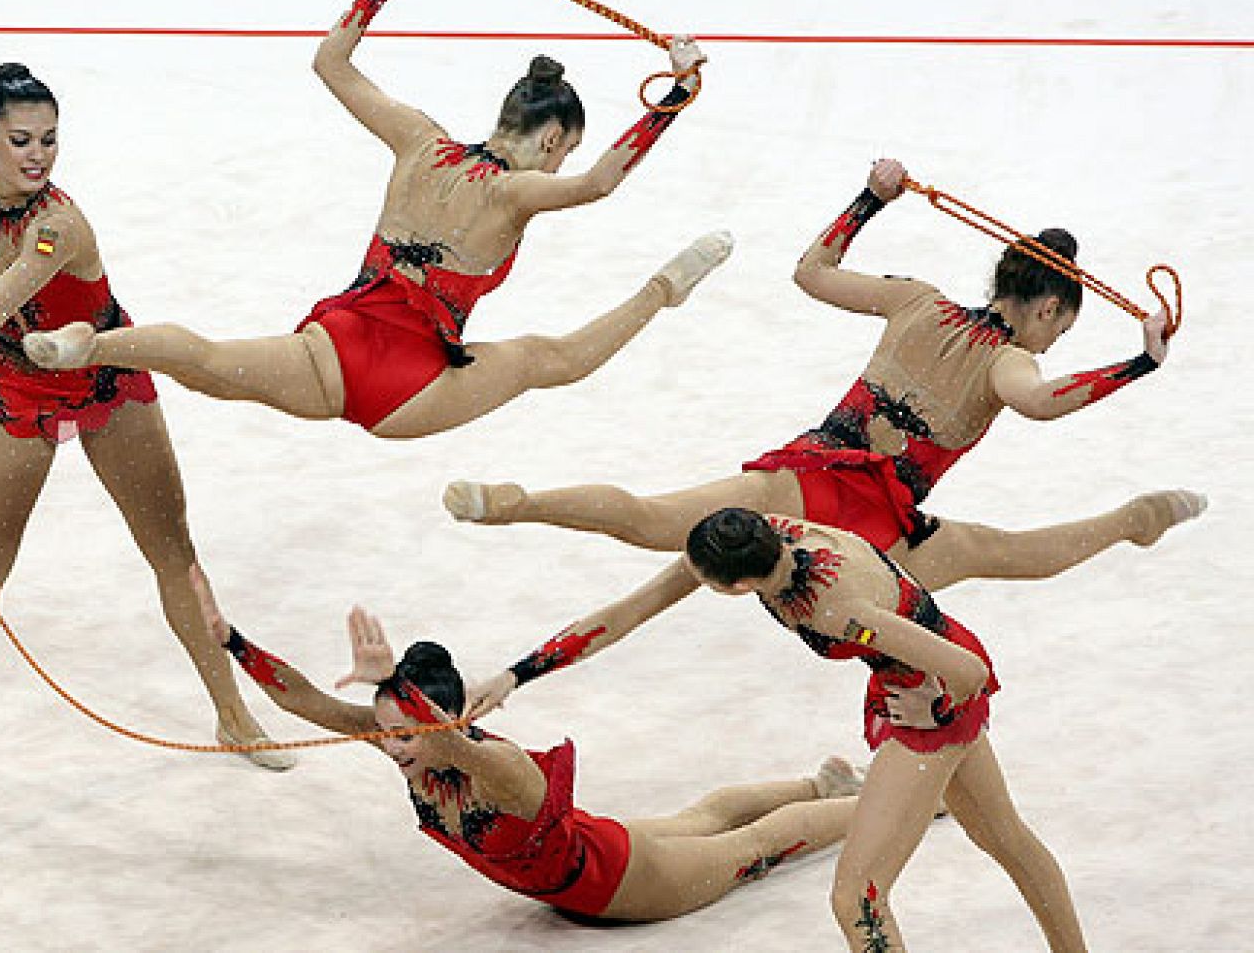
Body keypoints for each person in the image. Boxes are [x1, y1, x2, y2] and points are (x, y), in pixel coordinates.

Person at [22, 0, 729, 440]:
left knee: (206, 360)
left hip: (334, 342)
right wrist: (675, 92)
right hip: (410, 386)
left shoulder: (418, 141)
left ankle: (97, 342)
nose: (559, 166)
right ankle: (665, 289)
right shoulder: (513, 192)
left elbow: (332, 62)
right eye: (562, 152)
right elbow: (601, 183)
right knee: (555, 360)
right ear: (551, 140)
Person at [443, 157, 1203, 591]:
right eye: (1061, 331)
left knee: (649, 518)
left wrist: (869, 199)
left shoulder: (916, 301)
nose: (1053, 346)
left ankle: (518, 502)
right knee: (1002, 554)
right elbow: (1039, 402)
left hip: (802, 479)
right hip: (875, 530)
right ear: (1045, 314)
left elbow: (812, 271)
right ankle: (1131, 524)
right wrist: (1139, 362)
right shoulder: (1011, 361)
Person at [0, 63, 290, 790]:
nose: (37, 154)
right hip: (19, 385)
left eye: (49, 139)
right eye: (20, 139)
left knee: (174, 553)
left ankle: (234, 714)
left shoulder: (61, 225)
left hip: (105, 372)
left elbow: (3, 294)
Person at [466, 508, 1089, 950]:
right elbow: (629, 612)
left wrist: (930, 703)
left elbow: (967, 669)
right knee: (1006, 839)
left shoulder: (837, 608)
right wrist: (518, 674)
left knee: (857, 899)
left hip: (932, 702)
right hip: (906, 677)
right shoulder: (759, 533)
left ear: (736, 587)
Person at [205, 602, 868, 922]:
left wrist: (402, 694)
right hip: (591, 856)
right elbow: (311, 705)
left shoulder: (502, 769)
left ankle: (908, 799)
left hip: (629, 886)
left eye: (407, 732)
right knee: (703, 814)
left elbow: (452, 743)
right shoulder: (408, 746)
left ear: (449, 721)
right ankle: (821, 782)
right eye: (386, 732)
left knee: (755, 844)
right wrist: (233, 640)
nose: (392, 745)